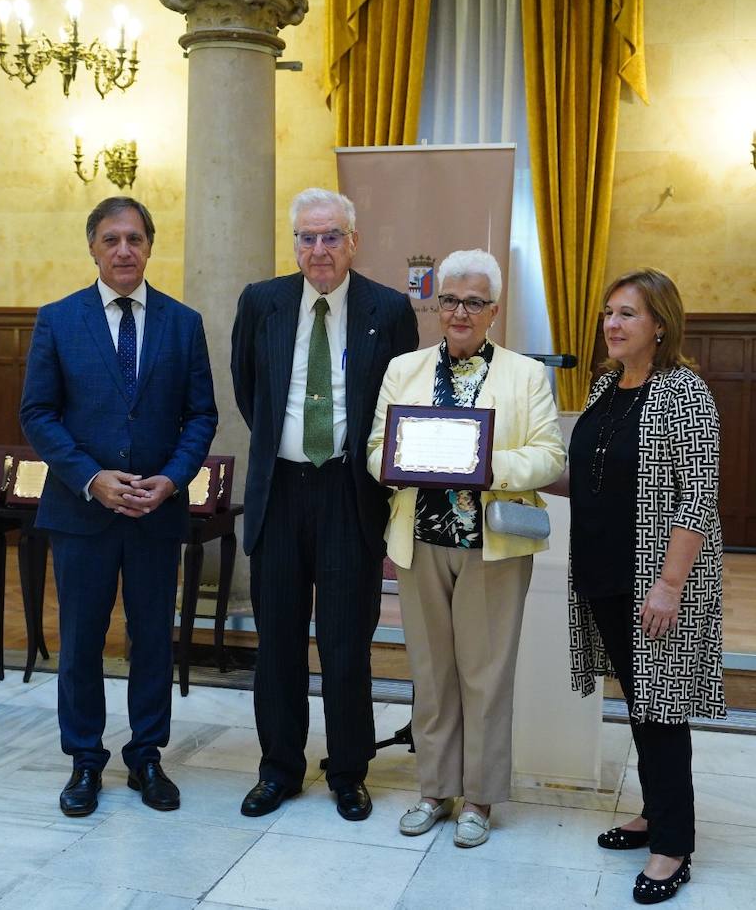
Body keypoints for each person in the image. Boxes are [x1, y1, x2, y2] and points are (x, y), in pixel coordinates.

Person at [20, 196, 218, 818]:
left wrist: (172, 479)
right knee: (80, 641)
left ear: (150, 246)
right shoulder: (58, 320)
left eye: (134, 238)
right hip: (81, 514)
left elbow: (201, 415)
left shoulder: (183, 324)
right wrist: (89, 478)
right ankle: (84, 761)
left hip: (157, 512)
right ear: (93, 248)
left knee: (152, 638)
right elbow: (38, 415)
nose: (124, 250)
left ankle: (147, 756)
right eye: (111, 240)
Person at [230, 187, 417, 821]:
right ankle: (279, 767)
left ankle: (348, 771)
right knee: (278, 641)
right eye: (307, 238)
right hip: (279, 490)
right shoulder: (262, 302)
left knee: (345, 645)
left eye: (331, 236)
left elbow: (397, 405)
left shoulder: (388, 310)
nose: (318, 250)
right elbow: (247, 387)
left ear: (353, 242)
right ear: (294, 244)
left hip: (349, 493)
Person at [368, 249, 564, 847]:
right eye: (450, 300)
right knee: (431, 674)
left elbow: (551, 456)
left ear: (493, 311)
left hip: (492, 546)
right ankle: (433, 789)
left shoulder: (525, 375)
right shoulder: (404, 369)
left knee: (485, 675)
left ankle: (478, 796)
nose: (460, 311)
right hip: (421, 540)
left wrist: (483, 465)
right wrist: (400, 463)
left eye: (474, 302)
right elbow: (376, 448)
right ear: (438, 305)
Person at [561, 268, 725, 903]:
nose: (612, 324)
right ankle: (656, 811)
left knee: (662, 709)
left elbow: (696, 499)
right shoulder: (607, 386)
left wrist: (669, 584)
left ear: (660, 324)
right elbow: (590, 476)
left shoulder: (686, 394)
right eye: (608, 312)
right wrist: (497, 464)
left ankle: (673, 844)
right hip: (602, 570)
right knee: (639, 700)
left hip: (655, 580)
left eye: (627, 313)